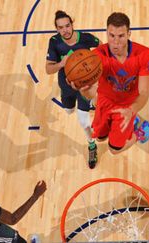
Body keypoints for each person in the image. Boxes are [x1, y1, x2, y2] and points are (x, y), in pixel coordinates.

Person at [75, 12, 149, 155]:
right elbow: (89, 91)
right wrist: (82, 88)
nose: (116, 41)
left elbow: (144, 92)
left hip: (127, 106)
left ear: (129, 34)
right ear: (106, 33)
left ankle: (142, 132)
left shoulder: (144, 54)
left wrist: (132, 110)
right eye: (112, 35)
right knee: (100, 138)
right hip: (105, 101)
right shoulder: (98, 56)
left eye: (121, 36)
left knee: (114, 150)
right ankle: (131, 123)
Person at [45, 10, 102, 169]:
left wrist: (95, 64)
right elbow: (48, 69)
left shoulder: (85, 38)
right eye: (61, 27)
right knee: (69, 110)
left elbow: (102, 47)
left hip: (84, 87)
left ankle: (91, 145)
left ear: (72, 24)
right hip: (66, 87)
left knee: (83, 120)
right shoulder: (55, 42)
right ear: (57, 29)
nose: (65, 30)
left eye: (68, 26)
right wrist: (61, 64)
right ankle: (91, 104)